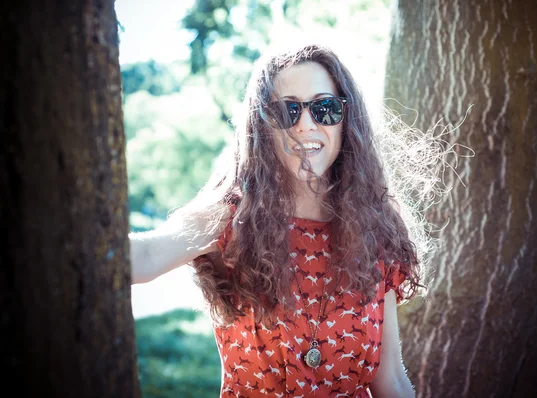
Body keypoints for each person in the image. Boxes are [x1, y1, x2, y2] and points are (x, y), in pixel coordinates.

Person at [130, 42, 439, 398]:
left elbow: (390, 381)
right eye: (287, 111)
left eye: (324, 108)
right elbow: (145, 258)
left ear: (346, 119)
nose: (306, 126)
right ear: (263, 126)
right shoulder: (230, 216)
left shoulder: (376, 226)